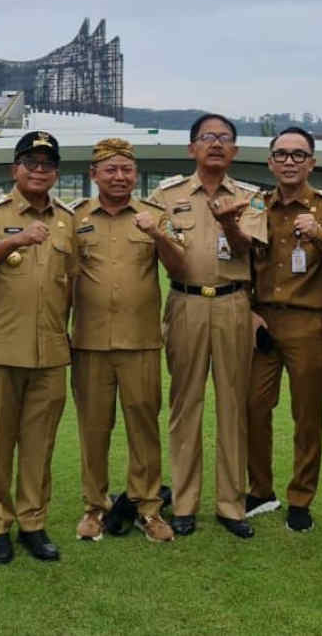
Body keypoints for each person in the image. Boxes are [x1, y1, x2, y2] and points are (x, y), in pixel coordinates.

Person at [147, 113, 267, 538]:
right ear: (191, 148)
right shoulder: (167, 195)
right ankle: (183, 502)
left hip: (233, 303)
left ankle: (231, 504)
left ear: (234, 150)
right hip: (185, 302)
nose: (215, 144)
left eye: (224, 138)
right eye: (206, 137)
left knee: (234, 404)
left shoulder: (251, 197)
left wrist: (230, 220)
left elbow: (245, 250)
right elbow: (158, 254)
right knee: (185, 404)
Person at [0, 130, 77, 563]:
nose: (39, 171)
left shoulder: (68, 219)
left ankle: (33, 523)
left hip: (49, 352)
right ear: (15, 169)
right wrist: (16, 239)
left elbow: (76, 280)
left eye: (47, 165)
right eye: (30, 163)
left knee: (39, 445)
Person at [69, 138, 185, 544]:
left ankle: (148, 508)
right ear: (94, 175)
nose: (119, 177)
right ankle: (94, 507)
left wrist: (159, 236)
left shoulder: (154, 216)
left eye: (126, 170)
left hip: (140, 343)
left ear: (135, 174)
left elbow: (180, 266)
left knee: (143, 426)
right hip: (89, 343)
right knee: (94, 429)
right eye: (110, 169)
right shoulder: (75, 218)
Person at [246, 127, 322, 533]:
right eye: (281, 154)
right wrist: (246, 311)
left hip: (307, 320)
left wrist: (319, 234)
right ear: (270, 162)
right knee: (253, 407)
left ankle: (301, 497)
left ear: (312, 162)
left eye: (298, 154)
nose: (289, 161)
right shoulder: (257, 206)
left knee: (307, 414)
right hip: (260, 320)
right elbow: (240, 259)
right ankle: (259, 489)